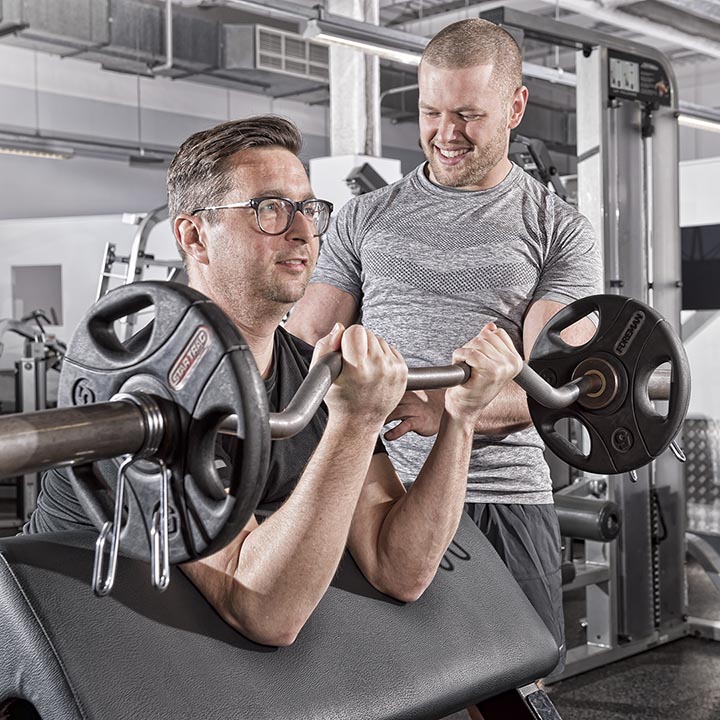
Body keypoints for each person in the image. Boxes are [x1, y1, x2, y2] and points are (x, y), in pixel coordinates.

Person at [24, 115, 523, 652]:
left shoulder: (317, 374)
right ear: (194, 236)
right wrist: (355, 422)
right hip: (75, 650)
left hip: (192, 658)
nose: (303, 230)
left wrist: (461, 418)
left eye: (308, 208)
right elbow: (262, 610)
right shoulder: (147, 393)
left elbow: (398, 568)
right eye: (268, 209)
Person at [285, 18, 603, 673]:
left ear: (515, 106)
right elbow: (303, 347)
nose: (445, 133)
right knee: (383, 688)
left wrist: (445, 412)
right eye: (432, 111)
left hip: (502, 500)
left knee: (517, 688)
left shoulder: (559, 231)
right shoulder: (363, 217)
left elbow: (562, 383)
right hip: (374, 498)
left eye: (467, 114)